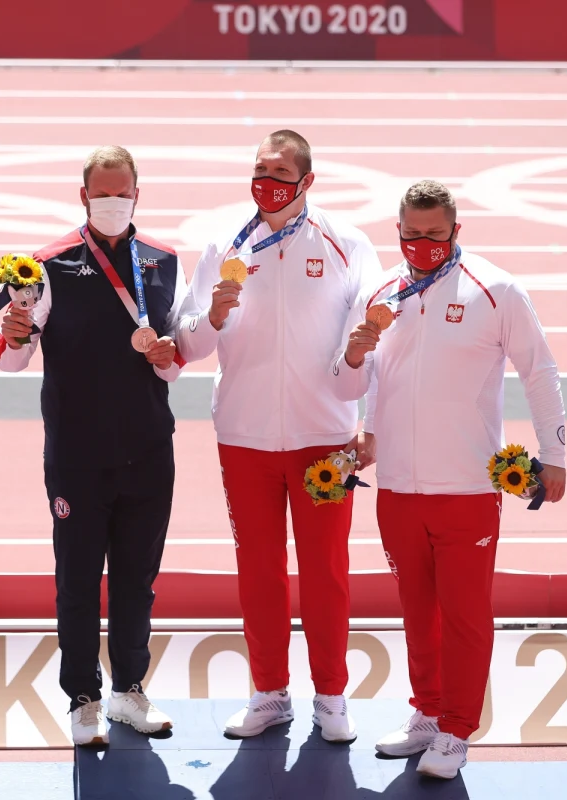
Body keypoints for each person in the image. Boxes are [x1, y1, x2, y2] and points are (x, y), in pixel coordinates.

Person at [330, 180, 567, 779]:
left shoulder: (497, 290)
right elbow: (365, 382)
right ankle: (427, 713)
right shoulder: (384, 292)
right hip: (400, 488)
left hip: (467, 488)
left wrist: (554, 456)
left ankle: (458, 729)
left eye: (436, 235)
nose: (423, 245)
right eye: (413, 235)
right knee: (416, 610)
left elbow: (539, 372)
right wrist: (356, 365)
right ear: (400, 232)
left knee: (464, 613)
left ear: (456, 231)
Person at [175, 130, 384, 743]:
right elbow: (187, 341)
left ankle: (331, 696)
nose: (266, 182)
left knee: (326, 571)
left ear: (307, 183)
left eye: (279, 172)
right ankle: (269, 692)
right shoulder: (225, 244)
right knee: (259, 570)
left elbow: (372, 341)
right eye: (259, 170)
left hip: (327, 438)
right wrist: (211, 316)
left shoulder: (348, 244)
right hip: (244, 436)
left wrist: (363, 413)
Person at [0, 145, 186, 747]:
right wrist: (13, 332)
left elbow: (175, 361)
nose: (112, 202)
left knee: (138, 579)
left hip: (149, 449)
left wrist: (167, 357)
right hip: (77, 455)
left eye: (121, 192)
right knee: (78, 579)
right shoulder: (43, 266)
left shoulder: (163, 261)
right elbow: (8, 359)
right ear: (83, 197)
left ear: (137, 193)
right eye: (101, 194)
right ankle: (82, 699)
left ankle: (130, 691)